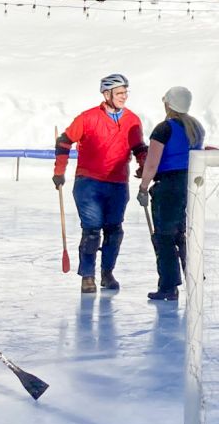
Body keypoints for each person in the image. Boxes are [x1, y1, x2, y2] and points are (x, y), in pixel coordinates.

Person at [53, 74, 147, 294]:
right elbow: (64, 141)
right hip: (89, 183)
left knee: (114, 230)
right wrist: (59, 171)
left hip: (118, 183)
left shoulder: (132, 119)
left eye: (126, 92)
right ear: (107, 95)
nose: (124, 97)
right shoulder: (88, 118)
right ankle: (87, 275)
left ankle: (107, 273)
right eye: (119, 93)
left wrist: (143, 168)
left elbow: (139, 148)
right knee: (92, 230)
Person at [137, 87, 203, 302]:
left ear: (168, 104)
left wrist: (144, 187)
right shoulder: (196, 127)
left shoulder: (164, 129)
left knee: (164, 237)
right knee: (183, 234)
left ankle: (168, 286)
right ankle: (193, 277)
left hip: (168, 188)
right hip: (191, 185)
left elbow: (153, 162)